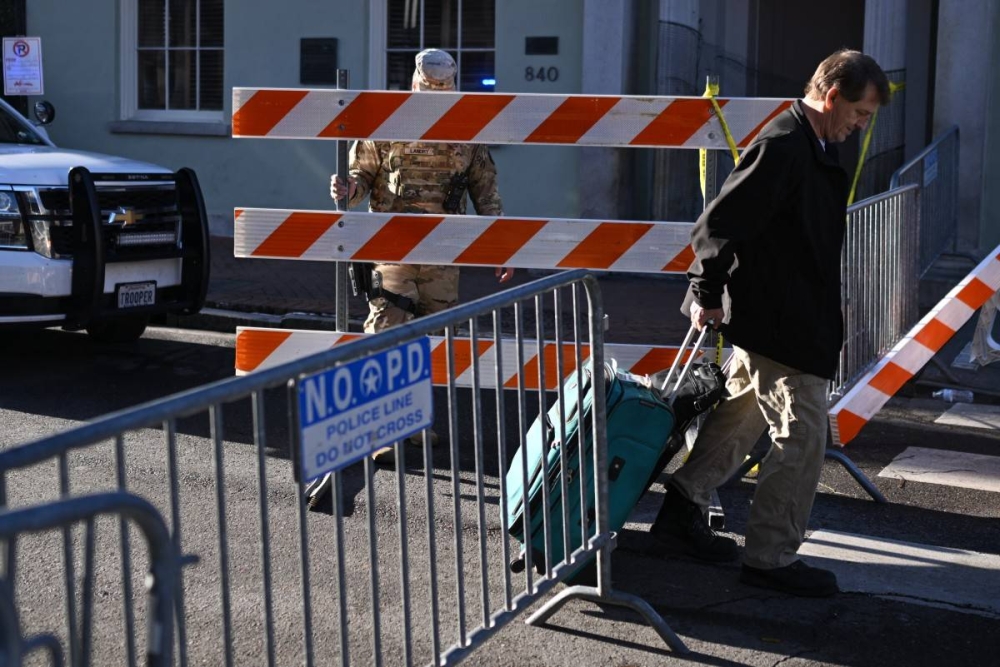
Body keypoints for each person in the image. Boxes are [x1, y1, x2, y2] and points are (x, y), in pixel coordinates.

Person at [650, 49, 889, 598]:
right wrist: (704, 292)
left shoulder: (809, 142)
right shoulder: (786, 145)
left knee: (740, 414)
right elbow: (718, 224)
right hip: (782, 322)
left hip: (779, 314)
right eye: (860, 114)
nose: (860, 126)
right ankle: (770, 558)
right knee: (803, 438)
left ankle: (681, 512)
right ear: (832, 97)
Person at [330, 48, 512, 464]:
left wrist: (501, 246)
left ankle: (411, 424)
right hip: (392, 247)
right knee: (387, 332)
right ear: (414, 85)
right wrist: (348, 191)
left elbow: (485, 191)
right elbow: (362, 176)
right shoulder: (387, 120)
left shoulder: (467, 126)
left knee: (429, 340)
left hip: (443, 253)